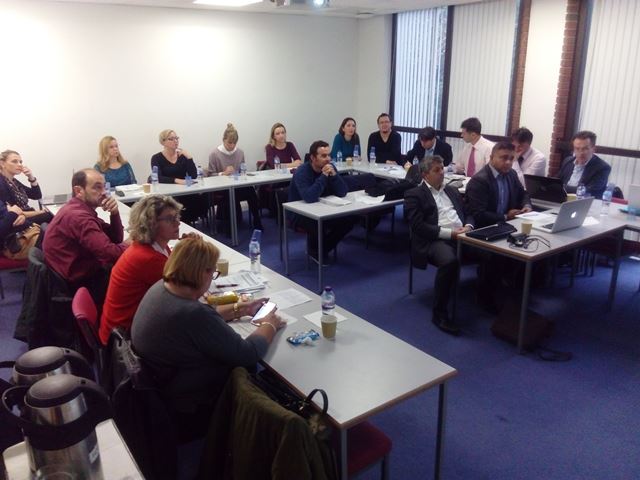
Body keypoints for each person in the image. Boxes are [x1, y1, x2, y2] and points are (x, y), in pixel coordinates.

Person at [131, 236, 285, 440]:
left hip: (163, 387)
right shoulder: (192, 314)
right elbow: (247, 353)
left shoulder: (161, 288)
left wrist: (241, 309)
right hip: (191, 404)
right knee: (250, 367)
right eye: (213, 273)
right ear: (202, 273)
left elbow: (201, 318)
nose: (212, 278)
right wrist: (269, 325)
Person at [99, 195, 183, 345]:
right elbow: (185, 293)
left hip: (122, 330)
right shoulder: (148, 258)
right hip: (122, 342)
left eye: (177, 216)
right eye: (170, 219)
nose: (178, 222)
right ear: (151, 224)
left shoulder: (156, 247)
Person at [404, 156, 474, 336]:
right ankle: (439, 314)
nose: (442, 172)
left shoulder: (452, 190)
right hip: (434, 239)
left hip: (463, 234)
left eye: (442, 168)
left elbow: (468, 213)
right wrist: (450, 233)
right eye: (437, 170)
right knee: (450, 261)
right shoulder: (414, 194)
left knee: (492, 252)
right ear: (425, 174)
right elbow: (418, 226)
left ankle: (485, 297)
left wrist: (468, 226)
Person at [43, 169, 128, 304]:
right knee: (136, 272)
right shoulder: (79, 217)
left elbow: (116, 239)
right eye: (97, 187)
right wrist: (130, 244)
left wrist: (114, 213)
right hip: (82, 282)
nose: (104, 192)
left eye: (104, 187)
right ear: (79, 191)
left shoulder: (78, 208)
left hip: (75, 272)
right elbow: (110, 254)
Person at [288, 140, 356, 259]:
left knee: (349, 219)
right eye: (324, 156)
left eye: (329, 155)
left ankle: (320, 249)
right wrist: (324, 176)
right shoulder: (301, 172)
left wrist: (334, 176)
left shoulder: (330, 167)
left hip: (323, 207)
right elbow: (309, 197)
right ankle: (318, 250)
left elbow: (343, 192)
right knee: (317, 224)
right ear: (313, 158)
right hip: (300, 212)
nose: (328, 159)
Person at [207, 123, 262, 230]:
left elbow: (242, 170)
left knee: (251, 191)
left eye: (234, 143)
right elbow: (210, 175)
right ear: (224, 140)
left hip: (237, 185)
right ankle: (230, 226)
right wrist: (223, 173)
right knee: (229, 195)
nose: (232, 146)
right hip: (222, 188)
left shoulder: (240, 152)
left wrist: (243, 174)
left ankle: (257, 220)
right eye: (229, 143)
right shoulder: (214, 154)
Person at [465, 142, 532, 228]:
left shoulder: (512, 174)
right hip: (487, 228)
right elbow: (478, 214)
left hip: (510, 224)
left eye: (511, 159)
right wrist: (506, 216)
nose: (508, 162)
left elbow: (523, 194)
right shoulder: (479, 181)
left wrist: (527, 205)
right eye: (504, 158)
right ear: (491, 158)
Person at [151, 129, 208, 224]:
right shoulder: (156, 158)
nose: (175, 141)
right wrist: (177, 180)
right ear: (163, 142)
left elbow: (193, 175)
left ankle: (190, 223)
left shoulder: (182, 156)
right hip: (167, 193)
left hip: (184, 191)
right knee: (176, 203)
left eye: (176, 138)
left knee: (201, 197)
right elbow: (158, 177)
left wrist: (189, 158)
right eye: (171, 139)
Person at [0, 150, 52, 225]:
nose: (20, 164)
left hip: (28, 215)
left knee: (55, 214)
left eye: (20, 162)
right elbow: (13, 212)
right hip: (20, 220)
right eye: (14, 161)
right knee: (53, 215)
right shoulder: (2, 184)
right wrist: (40, 212)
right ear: (2, 164)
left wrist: (31, 177)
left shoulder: (14, 181)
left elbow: (36, 195)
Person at [557, 130, 611, 199]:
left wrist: (563, 187)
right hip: (562, 199)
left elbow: (589, 191)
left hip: (584, 202)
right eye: (577, 148)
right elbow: (557, 181)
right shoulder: (568, 161)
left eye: (585, 149)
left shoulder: (602, 167)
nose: (581, 152)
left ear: (593, 149)